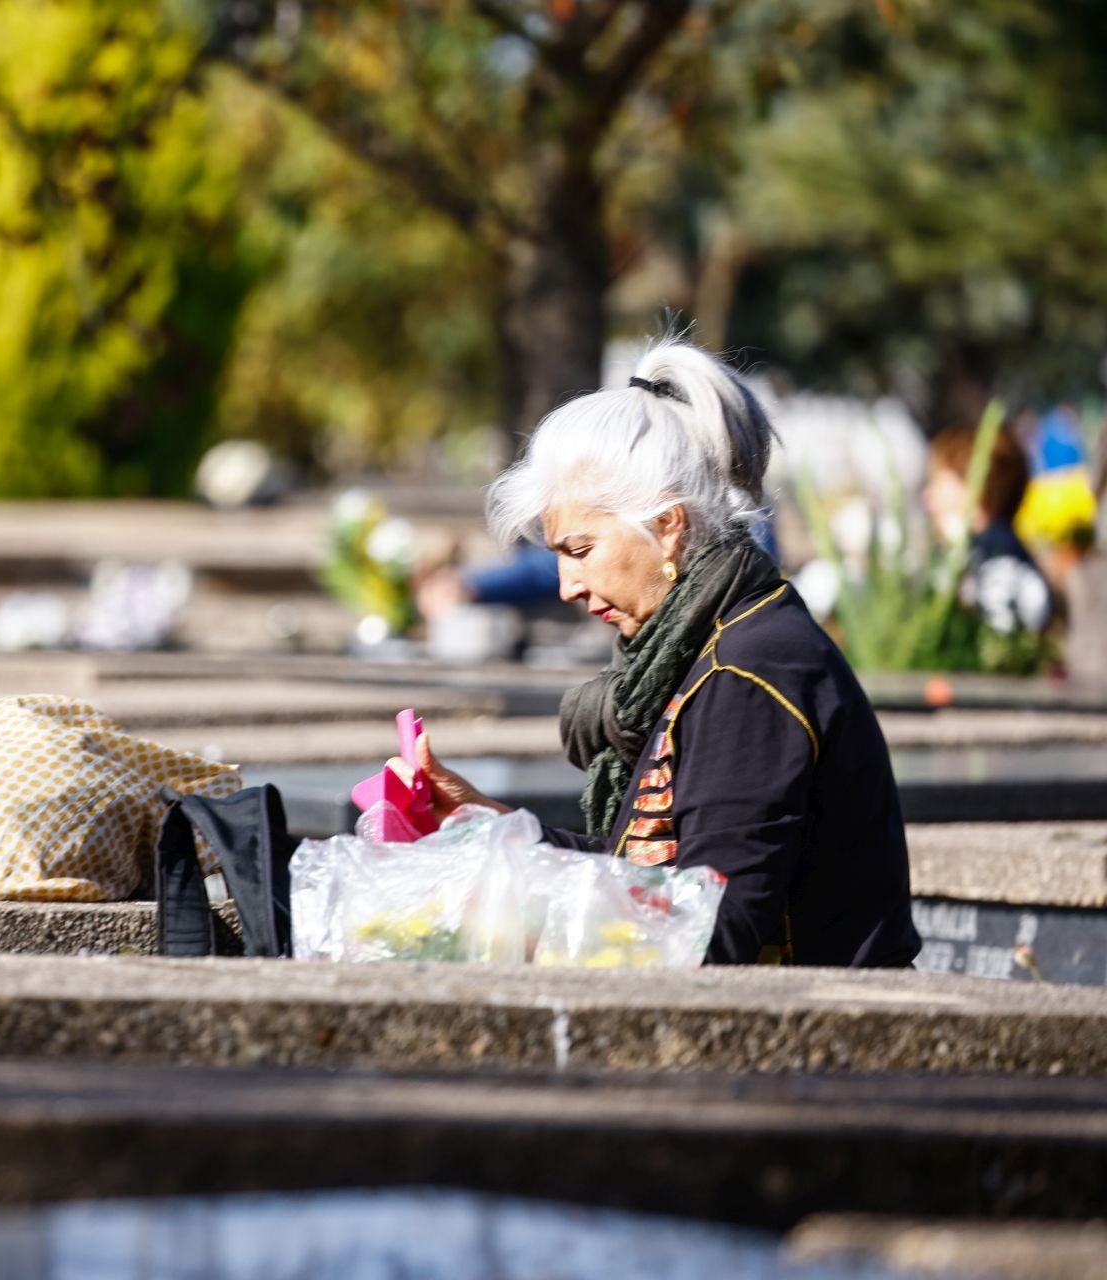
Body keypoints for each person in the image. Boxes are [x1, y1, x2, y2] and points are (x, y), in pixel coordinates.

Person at [394, 340, 921, 967]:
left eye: (580, 550)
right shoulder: (707, 644)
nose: (566, 585)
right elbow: (651, 874)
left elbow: (709, 931)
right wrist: (493, 825)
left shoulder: (748, 668)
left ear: (668, 525)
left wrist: (522, 896)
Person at [921, 423, 1053, 635]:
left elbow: (997, 643)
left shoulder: (997, 559)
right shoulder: (984, 552)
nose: (927, 498)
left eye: (937, 482)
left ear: (977, 485)